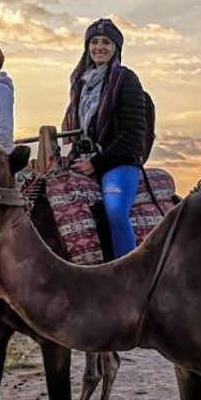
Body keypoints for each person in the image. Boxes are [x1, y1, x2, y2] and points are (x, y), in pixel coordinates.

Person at [62, 18, 147, 260]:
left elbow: (132, 136)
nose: (100, 47)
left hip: (117, 163)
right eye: (95, 42)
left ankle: (128, 271)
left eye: (106, 42)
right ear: (87, 47)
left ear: (116, 47)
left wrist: (96, 163)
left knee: (116, 211)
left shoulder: (126, 79)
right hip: (85, 160)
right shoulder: (81, 84)